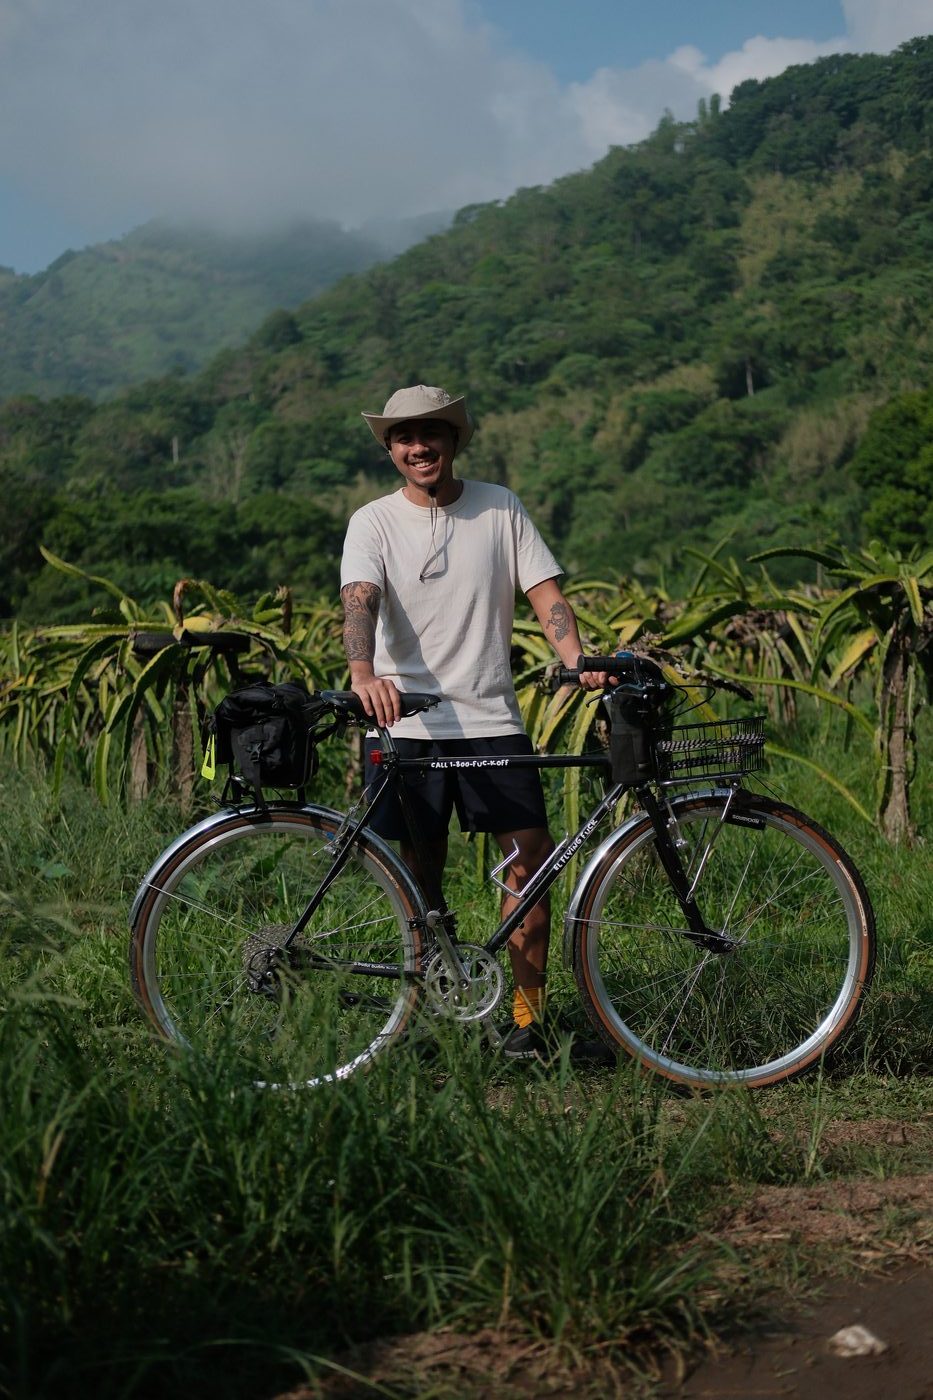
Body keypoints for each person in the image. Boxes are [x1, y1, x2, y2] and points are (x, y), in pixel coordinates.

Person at [340, 384, 607, 1057]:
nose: (418, 446)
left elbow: (544, 592)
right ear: (389, 449)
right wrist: (362, 672)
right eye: (403, 437)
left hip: (491, 718)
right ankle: (428, 1017)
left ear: (453, 440)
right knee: (416, 880)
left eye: (430, 434)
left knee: (529, 868)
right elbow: (359, 598)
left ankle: (524, 1024)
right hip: (408, 725)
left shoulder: (499, 507)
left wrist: (577, 661)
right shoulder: (371, 521)